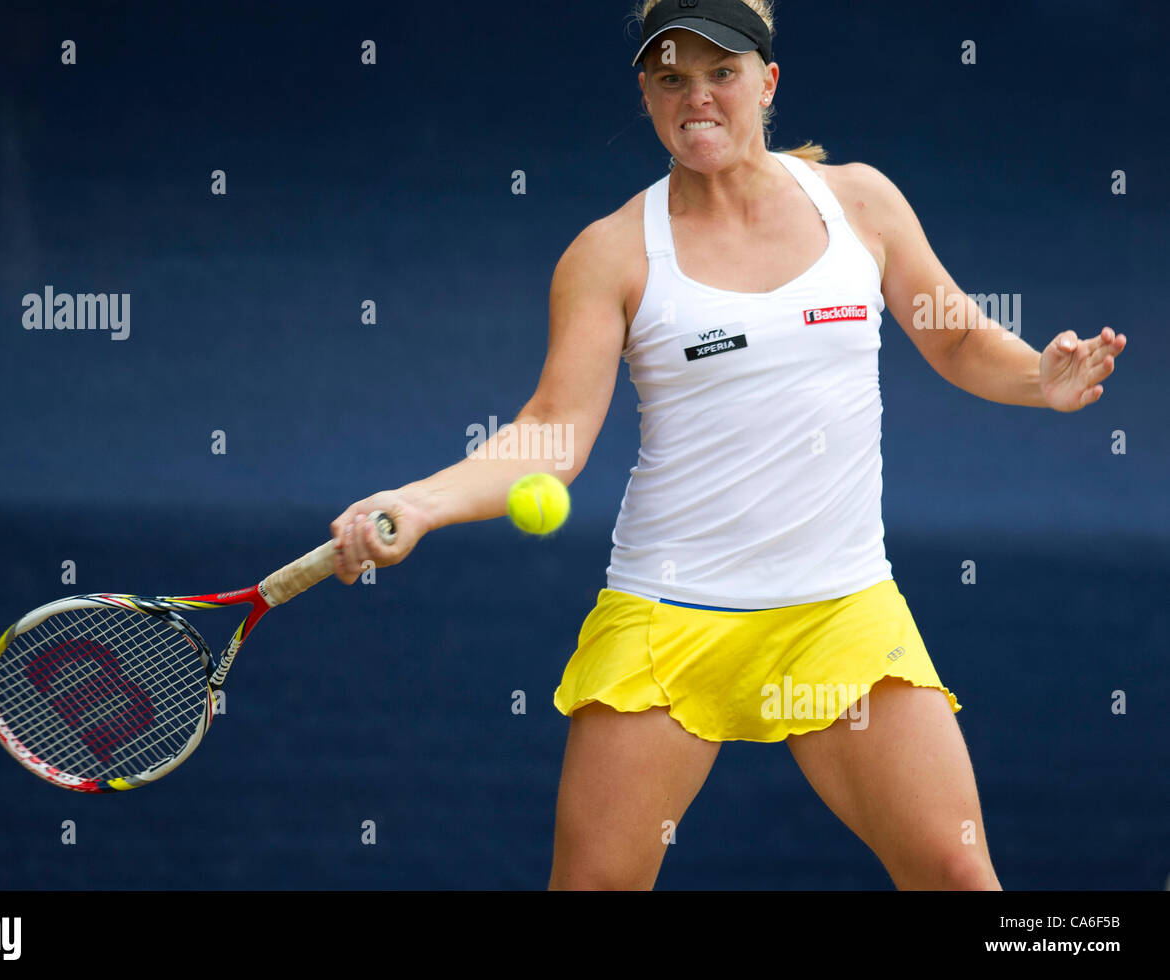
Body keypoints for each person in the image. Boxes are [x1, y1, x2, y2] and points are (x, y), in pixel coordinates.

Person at [326, 0, 1128, 890]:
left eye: (722, 74)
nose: (697, 97)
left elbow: (956, 337)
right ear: (646, 92)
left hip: (841, 613)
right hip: (670, 618)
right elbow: (550, 436)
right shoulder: (609, 253)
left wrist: (1036, 380)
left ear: (767, 81)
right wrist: (420, 503)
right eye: (672, 78)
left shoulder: (861, 202)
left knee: (958, 876)